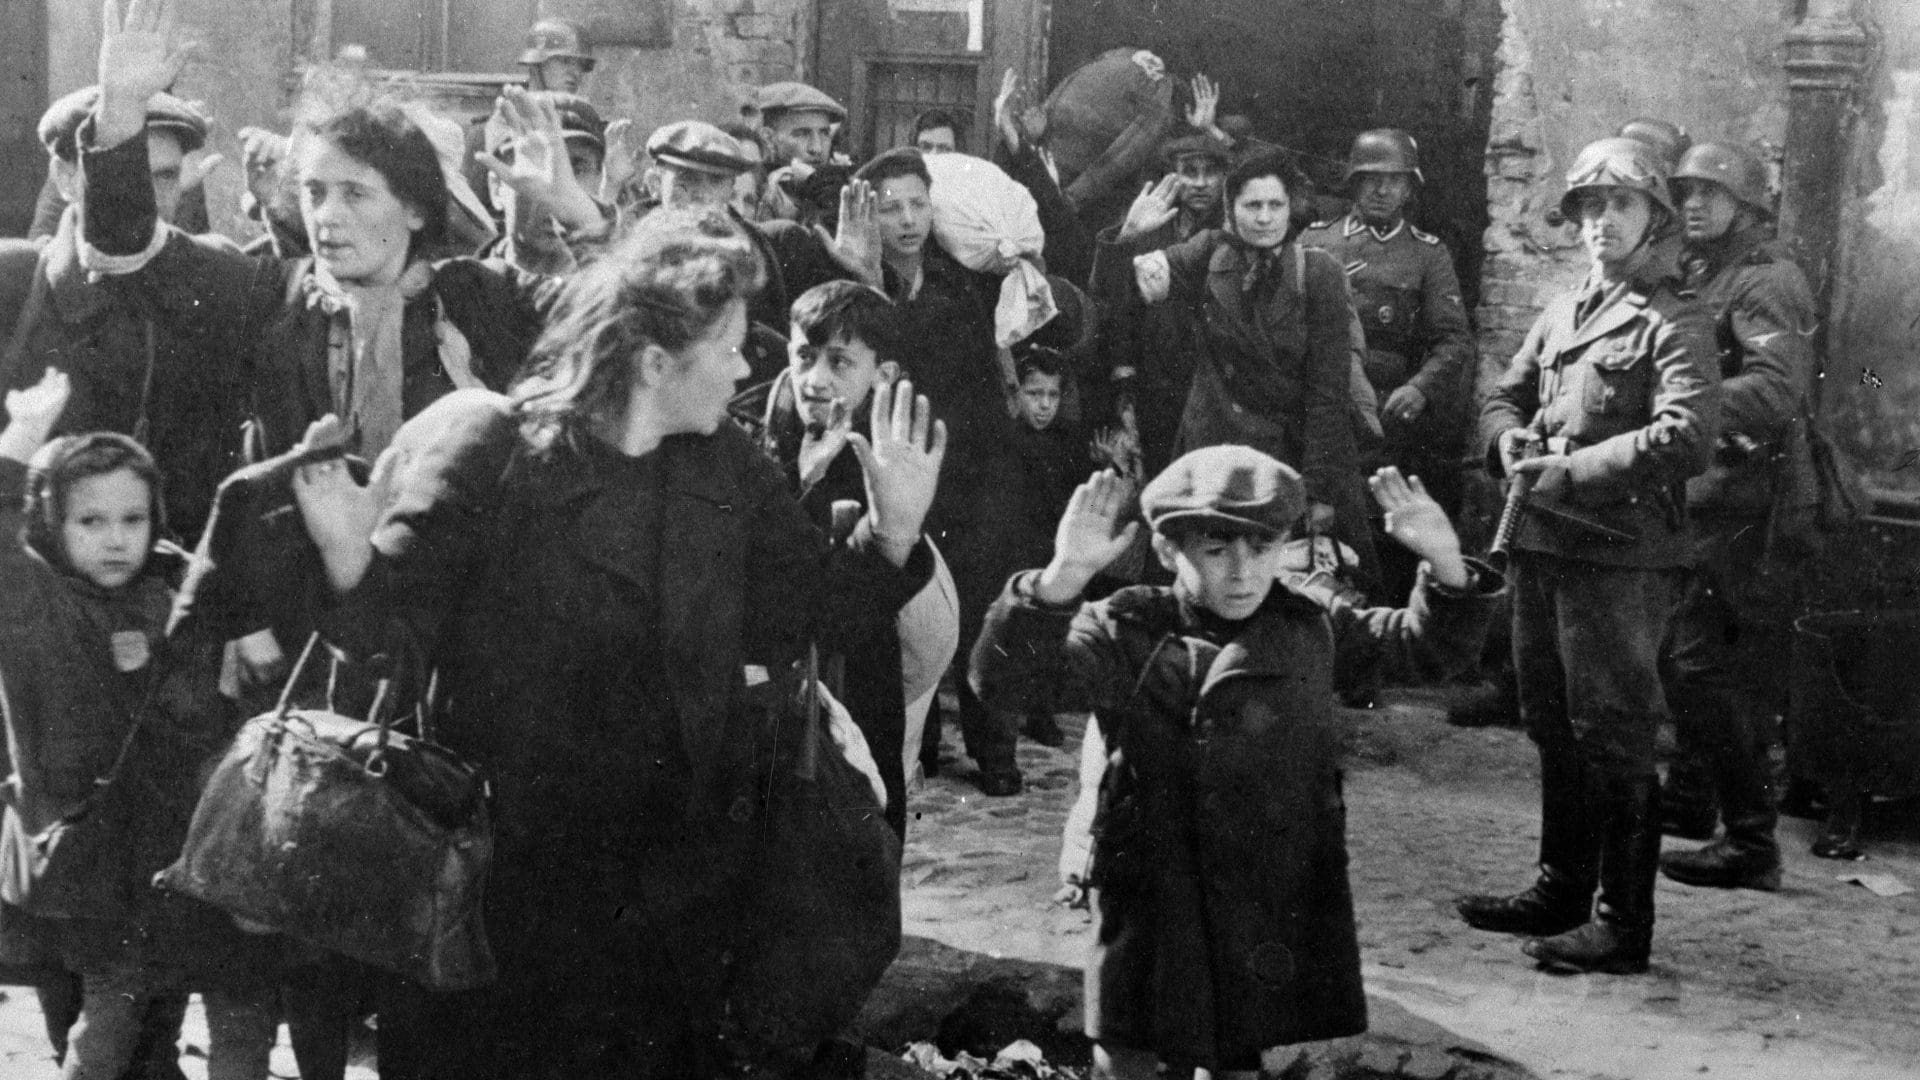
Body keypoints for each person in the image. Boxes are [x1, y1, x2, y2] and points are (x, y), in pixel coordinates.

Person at [286, 209, 945, 1078]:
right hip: (499, 896)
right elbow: (387, 648)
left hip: (670, 895)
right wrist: (346, 566)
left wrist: (892, 536)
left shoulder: (728, 466)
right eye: (734, 347)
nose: (750, 368)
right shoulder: (494, 450)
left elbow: (799, 617)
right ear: (656, 362)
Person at [971, 449, 1502, 1080]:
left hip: (1260, 887)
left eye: (1262, 548)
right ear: (1170, 553)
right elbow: (1005, 683)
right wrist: (1060, 580)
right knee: (1128, 1043)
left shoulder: (1313, 625)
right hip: (1152, 884)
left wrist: (1445, 564)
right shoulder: (1127, 628)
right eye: (1216, 551)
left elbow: (1424, 652)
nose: (1243, 573)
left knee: (1236, 1049)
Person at [1459, 136, 1720, 974]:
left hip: (1621, 557)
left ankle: (1622, 923)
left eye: (1621, 206)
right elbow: (1502, 392)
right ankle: (1559, 887)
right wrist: (1507, 444)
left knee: (1613, 731)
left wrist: (1570, 470)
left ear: (1654, 221)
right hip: (1542, 544)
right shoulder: (1565, 308)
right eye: (1590, 208)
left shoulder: (1673, 319)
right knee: (1548, 718)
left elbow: (1687, 437)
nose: (1602, 222)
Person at [0, 369, 281, 1080]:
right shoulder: (39, 604)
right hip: (100, 863)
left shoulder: (179, 590)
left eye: (133, 519)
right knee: (109, 1023)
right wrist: (24, 438)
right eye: (89, 522)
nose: (116, 540)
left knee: (239, 1009)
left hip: (194, 849)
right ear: (50, 523)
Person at [854, 146, 1084, 796]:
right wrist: (864, 274)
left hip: (981, 469)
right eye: (891, 207)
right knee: (909, 607)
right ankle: (917, 744)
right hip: (905, 468)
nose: (906, 220)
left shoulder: (966, 277)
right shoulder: (863, 285)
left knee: (987, 604)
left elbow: (1043, 275)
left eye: (918, 204)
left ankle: (993, 748)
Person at [1095, 149, 1381, 590]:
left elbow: (1328, 388)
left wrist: (1320, 490)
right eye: (1252, 205)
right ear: (1232, 209)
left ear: (1291, 209)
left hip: (1291, 453)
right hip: (1216, 449)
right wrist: (1128, 238)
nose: (1264, 218)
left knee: (1298, 586)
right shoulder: (1208, 253)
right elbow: (1130, 291)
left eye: (1275, 205)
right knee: (1204, 581)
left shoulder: (1319, 271)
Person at [1655, 140, 1817, 889]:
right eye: (1685, 190)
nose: (1693, 203)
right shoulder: (1704, 269)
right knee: (1683, 656)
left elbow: (1777, 389)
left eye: (1711, 193)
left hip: (1748, 506)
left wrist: (1685, 406)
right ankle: (1689, 802)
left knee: (1701, 666)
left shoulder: (1767, 281)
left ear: (1748, 205)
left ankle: (1752, 843)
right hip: (1708, 497)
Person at [756, 279, 959, 830]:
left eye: (839, 362)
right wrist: (800, 481)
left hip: (871, 663)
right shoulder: (767, 435)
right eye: (804, 356)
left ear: (882, 375)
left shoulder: (890, 452)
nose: (815, 380)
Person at [0, 86, 240, 543]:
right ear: (66, 177)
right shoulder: (10, 285)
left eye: (164, 177)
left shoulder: (212, 281)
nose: (142, 196)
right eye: (122, 171)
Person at [1300, 129, 1477, 600]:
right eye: (1372, 179)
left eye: (1395, 181)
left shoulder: (1428, 253)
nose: (1382, 190)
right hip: (1321, 405)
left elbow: (1454, 339)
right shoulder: (1316, 242)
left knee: (1382, 530)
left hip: (1388, 417)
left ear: (1409, 188)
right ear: (1354, 184)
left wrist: (1421, 388)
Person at [641, 119, 879, 381]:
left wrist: (860, 277)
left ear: (731, 188)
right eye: (686, 181)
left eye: (716, 181)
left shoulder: (777, 249)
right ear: (654, 184)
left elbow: (841, 336)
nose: (702, 196)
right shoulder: (628, 258)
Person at [757, 81, 849, 222]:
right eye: (802, 134)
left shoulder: (841, 190)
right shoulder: (754, 190)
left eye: (824, 133)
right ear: (769, 138)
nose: (816, 148)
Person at [517, 17, 595, 95]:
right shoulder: (512, 106)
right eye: (565, 61)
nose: (576, 72)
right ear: (536, 65)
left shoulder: (580, 106)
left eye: (581, 65)